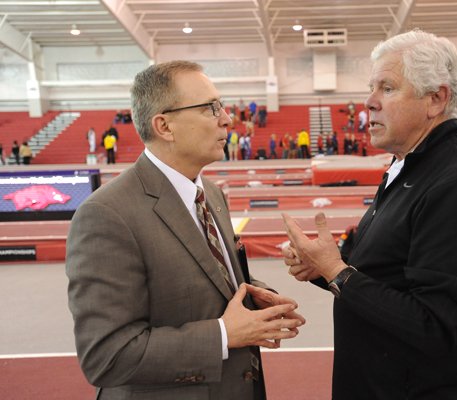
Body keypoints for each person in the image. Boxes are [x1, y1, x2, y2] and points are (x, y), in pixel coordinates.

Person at [282, 30, 457, 399]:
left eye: (387, 88)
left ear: (436, 99)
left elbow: (436, 327)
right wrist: (323, 269)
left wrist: (338, 273)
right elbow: (385, 276)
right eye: (372, 87)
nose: (369, 102)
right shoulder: (411, 169)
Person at [66, 61, 305, 400]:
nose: (226, 119)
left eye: (221, 106)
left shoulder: (212, 194)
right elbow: (107, 356)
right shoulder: (107, 214)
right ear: (164, 126)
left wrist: (254, 298)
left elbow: (204, 279)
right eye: (210, 108)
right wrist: (223, 334)